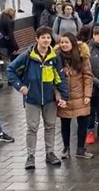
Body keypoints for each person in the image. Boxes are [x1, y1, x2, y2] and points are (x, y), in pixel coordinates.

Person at [6, 26, 69, 170]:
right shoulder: (27, 55)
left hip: (49, 99)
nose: (46, 40)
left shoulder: (54, 57)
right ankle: (30, 156)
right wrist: (20, 86)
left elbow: (60, 78)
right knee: (32, 128)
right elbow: (10, 70)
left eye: (48, 38)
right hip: (32, 99)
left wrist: (64, 96)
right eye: (43, 38)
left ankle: (50, 153)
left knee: (50, 126)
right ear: (37, 39)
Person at [56, 32, 94, 159]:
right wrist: (58, 96)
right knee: (65, 124)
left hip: (80, 96)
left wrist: (87, 94)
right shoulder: (56, 58)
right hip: (64, 97)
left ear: (72, 43)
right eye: (62, 42)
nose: (64, 45)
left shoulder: (82, 57)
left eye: (66, 42)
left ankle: (81, 149)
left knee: (82, 124)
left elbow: (87, 76)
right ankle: (66, 148)